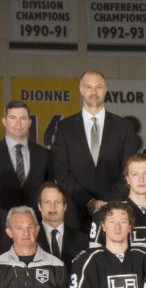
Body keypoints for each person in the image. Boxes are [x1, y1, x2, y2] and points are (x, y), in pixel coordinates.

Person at [50, 69, 140, 220]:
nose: (94, 92)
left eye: (98, 87)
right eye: (88, 87)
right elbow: (61, 170)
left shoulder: (124, 127)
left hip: (115, 214)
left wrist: (106, 203)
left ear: (105, 90)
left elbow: (129, 170)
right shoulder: (65, 127)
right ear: (81, 90)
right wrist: (89, 201)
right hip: (76, 213)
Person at [0, 100, 51, 212]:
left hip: (34, 224)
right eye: (13, 118)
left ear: (30, 122)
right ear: (4, 121)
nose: (18, 123)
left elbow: (49, 192)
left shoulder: (44, 155)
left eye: (23, 118)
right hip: (0, 224)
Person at [35, 182, 86, 264]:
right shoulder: (29, 238)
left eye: (57, 202)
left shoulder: (83, 240)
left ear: (65, 206)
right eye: (47, 202)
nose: (53, 207)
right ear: (39, 206)